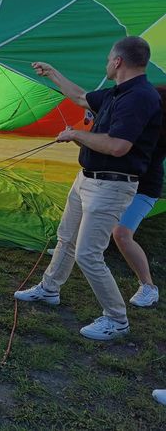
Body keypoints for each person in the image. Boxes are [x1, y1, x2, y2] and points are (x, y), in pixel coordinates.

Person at [14, 36, 162, 341]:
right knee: (66, 238)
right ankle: (49, 289)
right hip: (88, 179)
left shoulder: (140, 97)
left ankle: (116, 319)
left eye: (109, 58)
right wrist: (52, 73)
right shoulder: (119, 92)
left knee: (89, 254)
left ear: (118, 61)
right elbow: (82, 98)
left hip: (111, 186)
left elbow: (119, 146)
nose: (106, 63)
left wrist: (76, 136)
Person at [111, 86, 166, 307]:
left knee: (122, 233)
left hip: (144, 189)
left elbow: (120, 148)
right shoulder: (138, 121)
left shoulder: (155, 133)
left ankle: (148, 287)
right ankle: (74, 248)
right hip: (119, 182)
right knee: (88, 209)